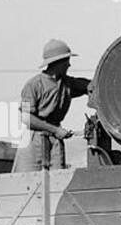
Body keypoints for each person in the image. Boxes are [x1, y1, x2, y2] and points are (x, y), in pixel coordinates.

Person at [13, 39, 90, 173]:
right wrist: (55, 130)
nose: (69, 65)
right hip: (33, 141)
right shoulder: (32, 85)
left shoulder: (67, 84)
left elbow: (91, 85)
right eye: (67, 61)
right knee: (27, 183)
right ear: (58, 63)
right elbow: (26, 118)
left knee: (57, 182)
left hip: (54, 142)